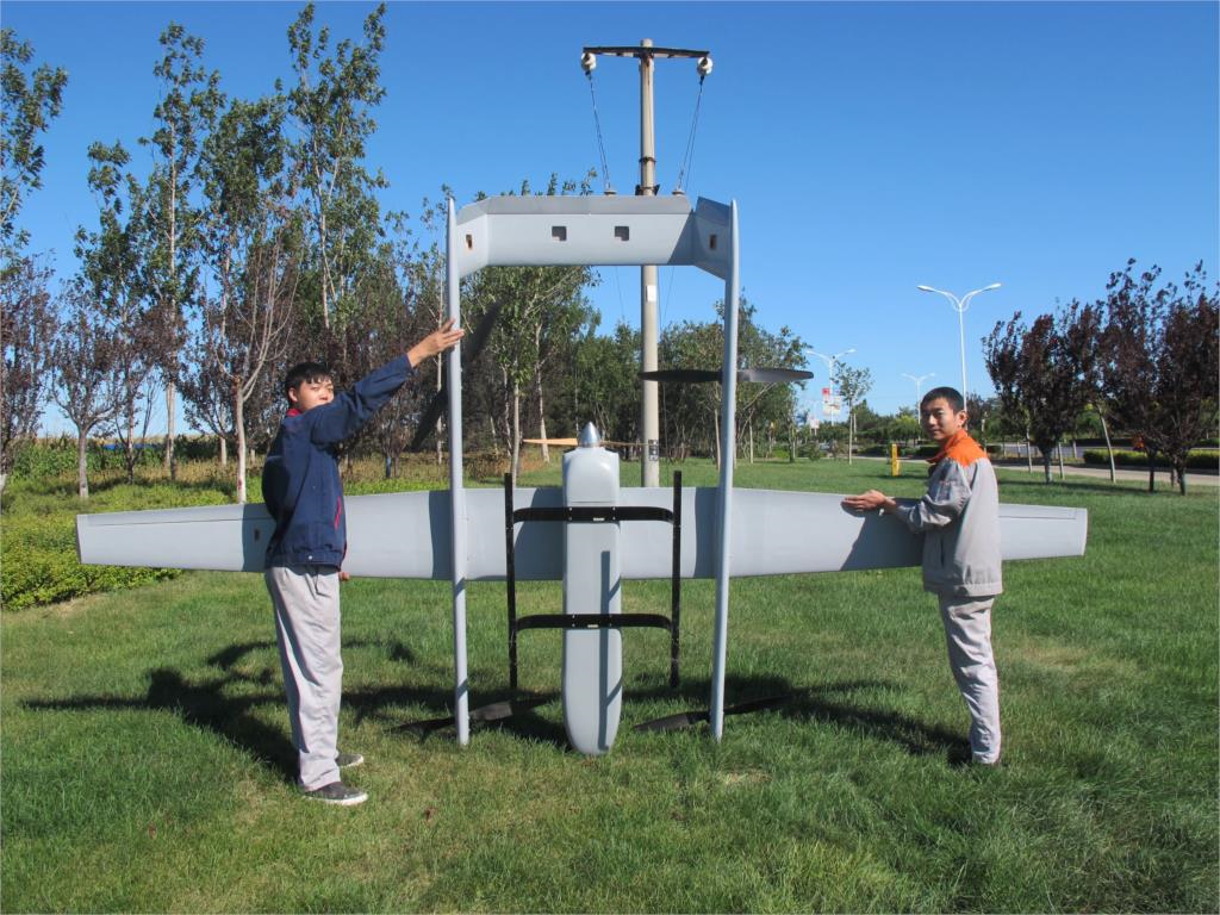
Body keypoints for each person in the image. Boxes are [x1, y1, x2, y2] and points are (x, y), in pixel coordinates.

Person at [262, 319, 465, 805]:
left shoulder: (299, 441)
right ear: (294, 396)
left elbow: (286, 504)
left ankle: (320, 751)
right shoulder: (308, 428)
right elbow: (359, 404)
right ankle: (317, 775)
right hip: (303, 567)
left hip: (307, 562)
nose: (329, 394)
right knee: (320, 669)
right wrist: (420, 353)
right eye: (318, 388)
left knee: (311, 667)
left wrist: (328, 556)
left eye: (330, 387)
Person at [841, 386, 1003, 767]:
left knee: (973, 666)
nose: (930, 421)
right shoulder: (966, 455)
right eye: (925, 414)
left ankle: (985, 755)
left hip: (963, 578)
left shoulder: (959, 459)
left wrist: (887, 504)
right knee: (977, 662)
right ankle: (985, 744)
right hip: (972, 575)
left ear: (961, 417)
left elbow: (928, 517)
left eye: (938, 413)